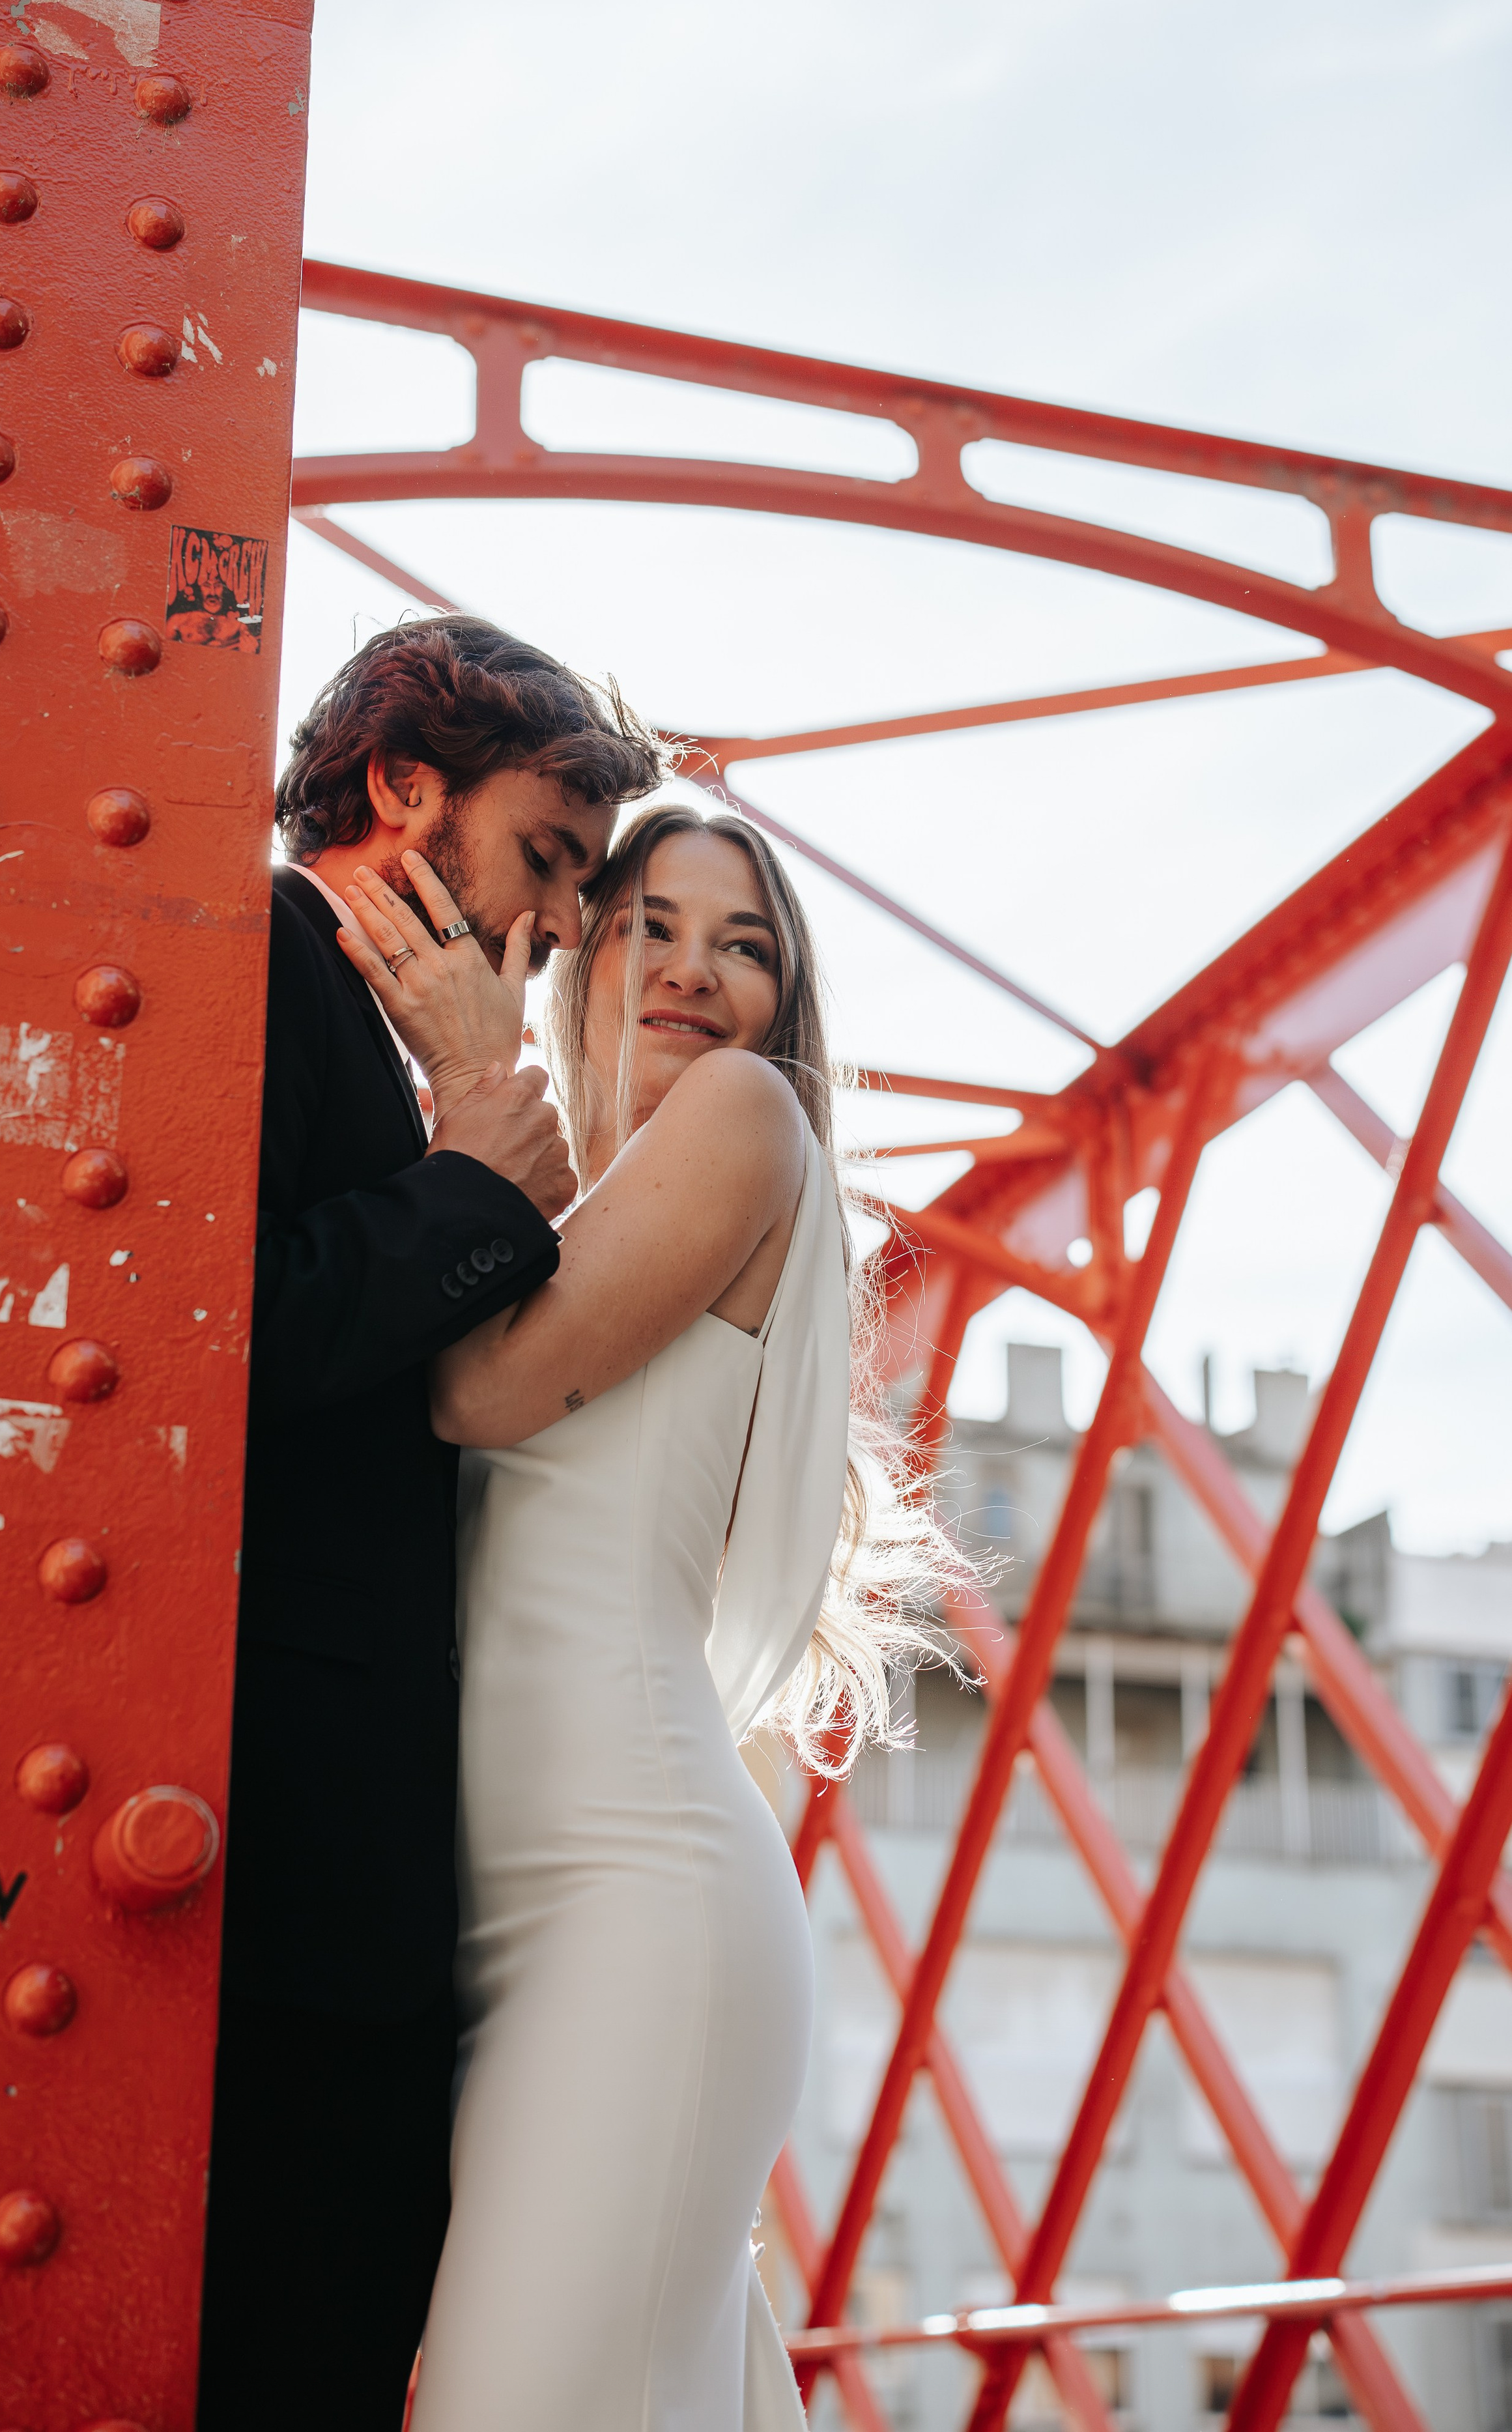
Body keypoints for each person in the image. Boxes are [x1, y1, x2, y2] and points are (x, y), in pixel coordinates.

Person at [339, 801, 957, 2430]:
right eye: (650, 926)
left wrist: (474, 1096)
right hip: (486, 1933)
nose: (692, 972)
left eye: (741, 945)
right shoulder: (554, 1219)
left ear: (781, 1001)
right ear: (587, 957)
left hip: (633, 1899)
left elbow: (477, 1392)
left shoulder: (747, 1119)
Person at [196, 616, 664, 2429]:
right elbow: (202, 1339)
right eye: (546, 855)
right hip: (285, 1859)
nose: (557, 929)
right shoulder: (251, 958)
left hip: (332, 1866)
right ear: (405, 787)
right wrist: (476, 1183)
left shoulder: (354, 1026)